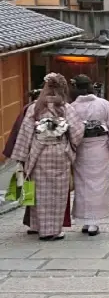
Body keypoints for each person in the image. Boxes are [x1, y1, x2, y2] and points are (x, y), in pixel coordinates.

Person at [11, 73, 84, 240]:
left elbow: (25, 133)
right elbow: (78, 132)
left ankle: (38, 226)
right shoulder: (66, 108)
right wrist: (71, 143)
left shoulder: (35, 108)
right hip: (59, 152)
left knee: (40, 191)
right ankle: (52, 230)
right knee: (57, 193)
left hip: (39, 152)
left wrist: (21, 157)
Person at [70, 75, 109, 237]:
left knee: (83, 185)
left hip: (81, 149)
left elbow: (71, 131)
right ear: (90, 87)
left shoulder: (72, 107)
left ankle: (85, 221)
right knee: (99, 185)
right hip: (100, 148)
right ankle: (94, 223)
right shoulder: (103, 104)